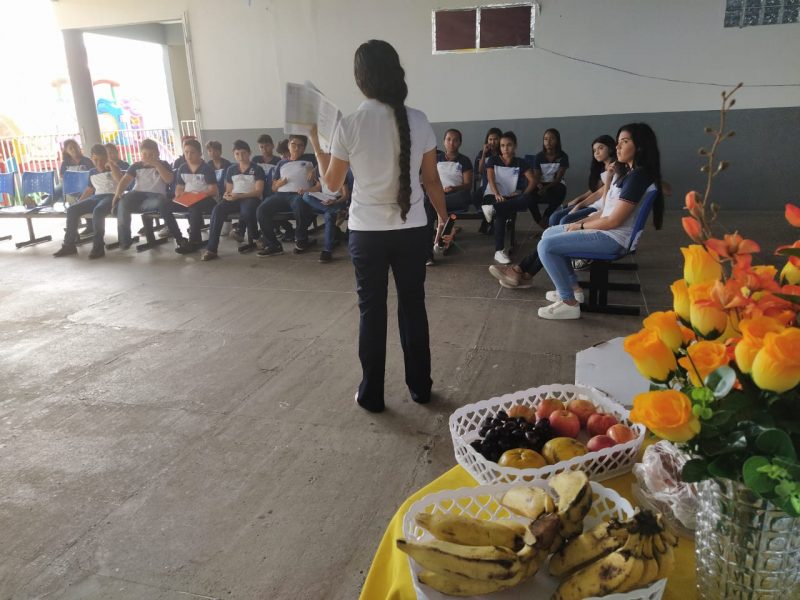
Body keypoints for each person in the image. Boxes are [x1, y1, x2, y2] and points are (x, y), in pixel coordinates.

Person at [308, 39, 447, 413]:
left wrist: (315, 144)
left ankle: (371, 394)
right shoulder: (418, 120)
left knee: (372, 312)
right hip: (413, 228)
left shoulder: (349, 124)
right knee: (413, 308)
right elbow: (431, 180)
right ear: (395, 73)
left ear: (360, 79)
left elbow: (331, 185)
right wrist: (445, 218)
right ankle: (420, 388)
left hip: (367, 234)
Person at [489, 123, 662, 321]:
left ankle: (568, 303)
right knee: (549, 233)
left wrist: (580, 226)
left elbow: (613, 220)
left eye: (625, 142)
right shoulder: (627, 174)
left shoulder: (638, 177)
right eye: (618, 142)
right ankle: (573, 289)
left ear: (639, 146)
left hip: (613, 238)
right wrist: (583, 219)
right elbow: (606, 211)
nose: (618, 147)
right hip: (607, 231)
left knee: (547, 245)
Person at [52, 144, 123, 259]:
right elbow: (89, 190)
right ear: (92, 159)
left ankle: (98, 246)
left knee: (98, 211)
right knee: (72, 209)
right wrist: (79, 202)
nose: (99, 163)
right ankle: (69, 245)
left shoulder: (114, 168)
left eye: (102, 159)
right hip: (97, 197)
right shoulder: (92, 172)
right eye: (95, 160)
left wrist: (111, 165)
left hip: (112, 197)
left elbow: (121, 181)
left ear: (107, 158)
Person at [201, 140, 266, 261]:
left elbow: (258, 191)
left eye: (243, 153)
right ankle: (211, 249)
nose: (241, 157)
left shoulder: (257, 169)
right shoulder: (231, 169)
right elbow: (229, 189)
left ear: (249, 153)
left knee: (247, 211)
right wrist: (227, 195)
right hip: (235, 198)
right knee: (217, 210)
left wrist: (239, 196)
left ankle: (256, 237)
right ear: (234, 154)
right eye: (237, 154)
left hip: (251, 198)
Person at [254, 135, 316, 257]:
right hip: (280, 195)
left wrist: (314, 170)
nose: (297, 148)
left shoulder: (311, 159)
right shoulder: (281, 163)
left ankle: (301, 239)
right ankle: (273, 245)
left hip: (298, 194)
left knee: (300, 204)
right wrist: (278, 183)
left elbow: (327, 163)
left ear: (304, 148)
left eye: (300, 146)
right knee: (261, 209)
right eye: (293, 145)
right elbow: (273, 187)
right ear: (289, 146)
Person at [481, 131, 536, 264]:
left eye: (509, 145)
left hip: (508, 198)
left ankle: (493, 209)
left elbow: (533, 181)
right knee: (502, 212)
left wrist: (521, 194)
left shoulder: (520, 162)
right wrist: (497, 194)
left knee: (527, 198)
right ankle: (499, 251)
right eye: (503, 145)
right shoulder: (493, 160)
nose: (505, 148)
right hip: (491, 195)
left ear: (515, 146)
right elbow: (490, 178)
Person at [156, 138, 218, 254]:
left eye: (192, 152)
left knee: (194, 206)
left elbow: (213, 190)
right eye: (186, 152)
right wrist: (180, 194)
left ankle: (193, 241)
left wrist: (198, 195)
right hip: (188, 199)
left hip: (206, 199)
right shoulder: (182, 168)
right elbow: (179, 188)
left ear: (199, 153)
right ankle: (180, 239)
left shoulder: (206, 169)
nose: (189, 155)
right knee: (164, 205)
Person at [111, 139, 175, 250]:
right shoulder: (136, 166)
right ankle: (125, 240)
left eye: (151, 154)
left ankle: (170, 228)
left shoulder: (163, 164)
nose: (148, 157)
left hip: (155, 196)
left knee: (160, 201)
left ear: (157, 153)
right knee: (123, 201)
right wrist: (117, 194)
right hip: (137, 194)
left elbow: (168, 180)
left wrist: (157, 165)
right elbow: (125, 180)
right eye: (145, 154)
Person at [548, 135, 616, 227]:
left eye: (601, 148)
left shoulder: (614, 167)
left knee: (564, 221)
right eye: (594, 150)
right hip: (594, 203)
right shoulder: (601, 167)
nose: (597, 152)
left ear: (611, 149)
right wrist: (578, 201)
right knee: (554, 217)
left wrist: (579, 204)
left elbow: (601, 193)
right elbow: (595, 190)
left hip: (600, 207)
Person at [298, 168, 353, 263]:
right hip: (324, 199)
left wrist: (335, 201)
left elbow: (346, 195)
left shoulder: (339, 171)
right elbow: (318, 187)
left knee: (328, 216)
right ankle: (334, 211)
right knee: (306, 195)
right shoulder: (319, 169)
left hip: (337, 200)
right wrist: (305, 190)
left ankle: (328, 250)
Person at [531, 128, 570, 227]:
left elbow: (558, 179)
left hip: (555, 184)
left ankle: (546, 215)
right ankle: (540, 222)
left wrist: (546, 188)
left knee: (561, 191)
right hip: (541, 184)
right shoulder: (539, 157)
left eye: (551, 139)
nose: (548, 142)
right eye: (545, 139)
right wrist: (540, 186)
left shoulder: (563, 156)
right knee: (528, 196)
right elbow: (536, 176)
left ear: (557, 141)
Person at [474, 127, 502, 232]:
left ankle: (487, 223)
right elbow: (480, 171)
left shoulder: (503, 153)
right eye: (490, 139)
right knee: (476, 196)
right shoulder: (483, 153)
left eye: (495, 139)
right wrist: (484, 154)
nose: (492, 142)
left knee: (490, 201)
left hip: (498, 186)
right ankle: (488, 221)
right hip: (485, 186)